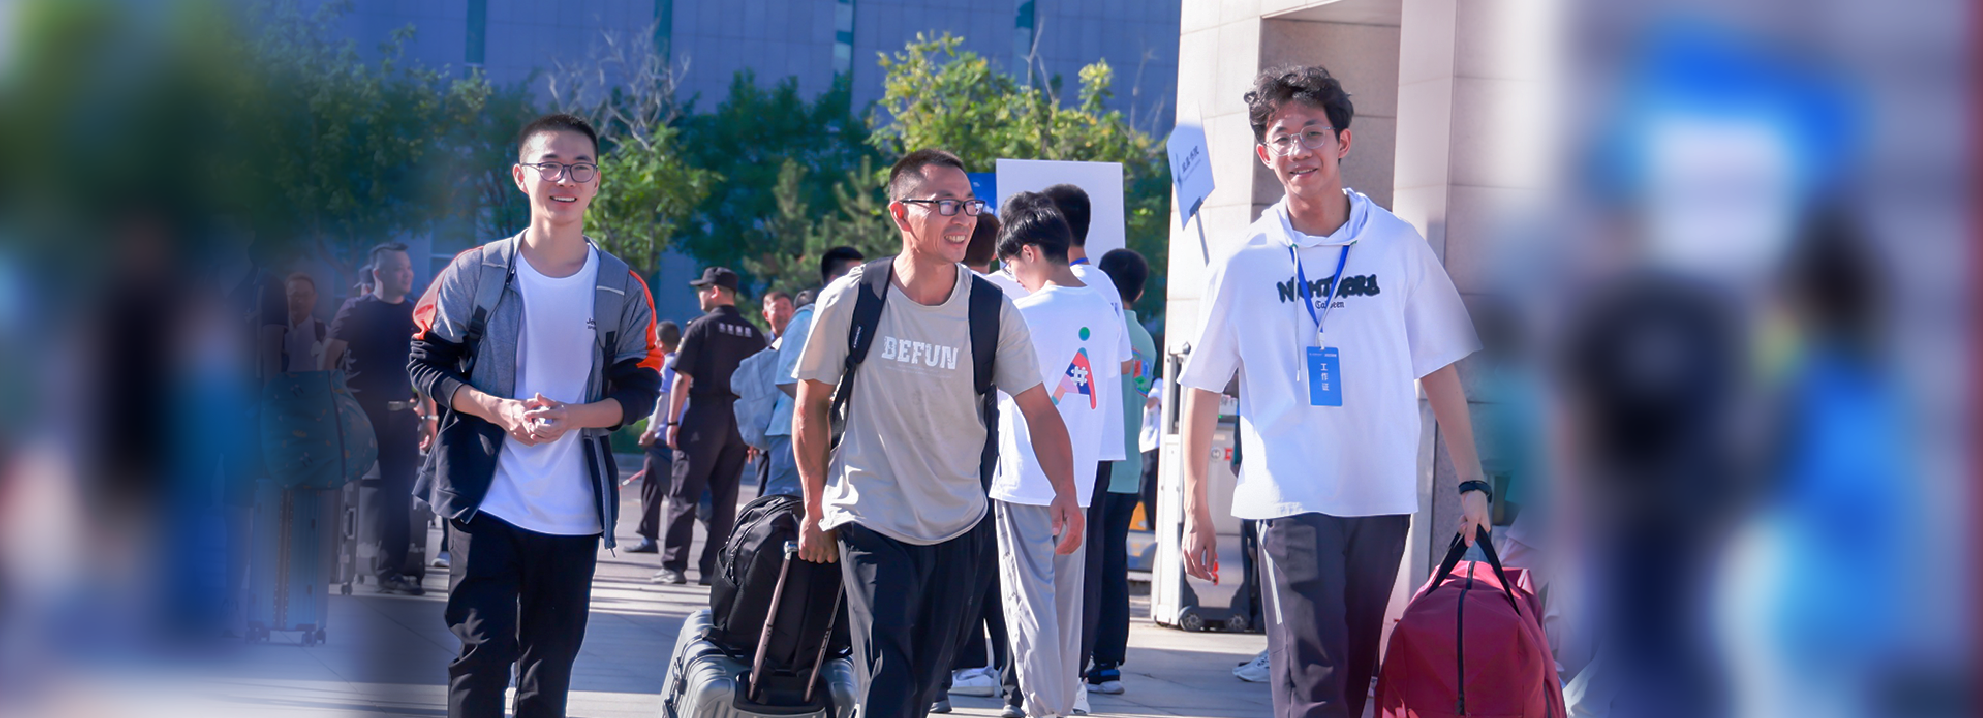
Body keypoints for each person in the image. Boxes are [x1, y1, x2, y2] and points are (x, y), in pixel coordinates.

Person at [1176, 66, 1492, 718]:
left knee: (1352, 679)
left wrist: (1472, 483)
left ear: (1342, 141)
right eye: (1282, 137)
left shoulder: (1396, 244)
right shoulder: (1243, 259)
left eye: (1312, 132)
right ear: (1264, 154)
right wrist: (1195, 506)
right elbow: (1202, 383)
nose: (1299, 149)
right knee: (1314, 680)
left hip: (1379, 493)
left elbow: (1437, 367)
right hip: (1289, 494)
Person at [791, 149, 1083, 718]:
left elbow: (1040, 410)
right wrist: (814, 507)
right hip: (870, 512)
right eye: (945, 204)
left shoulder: (991, 308)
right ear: (901, 214)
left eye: (970, 204)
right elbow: (812, 404)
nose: (963, 217)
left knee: (925, 684)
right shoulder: (854, 297)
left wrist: (1067, 493)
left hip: (958, 520)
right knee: (889, 675)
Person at [408, 113, 664, 718]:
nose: (564, 179)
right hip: (486, 501)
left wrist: (574, 416)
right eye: (550, 165)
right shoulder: (476, 270)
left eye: (580, 167)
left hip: (573, 514)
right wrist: (496, 408)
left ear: (596, 181)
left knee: (547, 677)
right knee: (483, 655)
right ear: (522, 176)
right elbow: (425, 362)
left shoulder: (623, 288)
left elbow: (640, 390)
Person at [989, 195, 1125, 718]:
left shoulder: (1021, 315)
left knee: (1028, 604)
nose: (1012, 275)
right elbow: (1104, 379)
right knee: (1068, 609)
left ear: (1028, 252)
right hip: (1079, 478)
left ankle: (1044, 708)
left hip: (1025, 472)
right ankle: (1061, 704)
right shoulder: (1104, 309)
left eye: (1011, 265)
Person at [1036, 186, 1132, 700]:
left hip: (1056, 445)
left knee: (1050, 567)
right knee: (1088, 562)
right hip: (1097, 444)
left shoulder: (1057, 288)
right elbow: (1123, 363)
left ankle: (1052, 681)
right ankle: (1076, 678)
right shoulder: (1103, 285)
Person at [324, 243, 430, 595]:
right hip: (358, 416)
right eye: (399, 268)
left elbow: (426, 370)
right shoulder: (357, 309)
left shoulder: (415, 315)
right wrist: (330, 406)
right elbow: (328, 358)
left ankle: (390, 572)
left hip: (401, 417)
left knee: (400, 494)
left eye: (409, 267)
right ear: (379, 273)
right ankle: (328, 563)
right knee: (337, 488)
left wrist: (429, 416)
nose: (408, 273)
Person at [655, 267, 766, 585]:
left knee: (684, 493)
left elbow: (682, 378)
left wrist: (672, 421)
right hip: (738, 421)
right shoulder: (753, 334)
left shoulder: (701, 327)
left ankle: (674, 566)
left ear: (715, 291)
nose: (700, 296)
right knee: (725, 500)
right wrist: (753, 432)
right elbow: (759, 388)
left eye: (702, 289)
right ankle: (711, 571)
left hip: (704, 418)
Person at [1085, 248, 1155, 696]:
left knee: (1083, 568)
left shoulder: (1099, 330)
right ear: (1141, 292)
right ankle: (1108, 664)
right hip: (1129, 471)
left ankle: (1077, 660)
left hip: (1096, 468)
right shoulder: (1145, 341)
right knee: (1114, 567)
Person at [767, 249, 866, 504]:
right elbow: (786, 377)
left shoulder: (847, 317)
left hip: (824, 431)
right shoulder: (807, 317)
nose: (864, 284)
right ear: (835, 281)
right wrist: (827, 405)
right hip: (793, 431)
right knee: (782, 509)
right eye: (856, 277)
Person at [630, 320, 684, 554]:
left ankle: (649, 537)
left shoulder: (668, 365)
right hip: (680, 435)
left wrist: (651, 430)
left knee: (653, 488)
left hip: (661, 437)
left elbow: (663, 399)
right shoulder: (685, 363)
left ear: (659, 343)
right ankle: (650, 535)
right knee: (668, 487)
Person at [282, 272, 327, 372]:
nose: (300, 301)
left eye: (306, 295)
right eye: (295, 295)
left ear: (314, 298)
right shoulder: (273, 331)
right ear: (284, 297)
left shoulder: (324, 333)